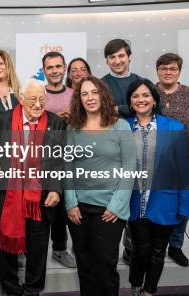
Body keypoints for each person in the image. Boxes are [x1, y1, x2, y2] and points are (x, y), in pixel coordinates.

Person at [64, 76, 136, 296]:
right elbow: (67, 167)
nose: (89, 97)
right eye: (84, 94)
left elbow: (129, 168)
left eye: (94, 92)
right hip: (79, 210)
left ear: (103, 95)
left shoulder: (120, 126)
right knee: (84, 265)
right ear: (79, 99)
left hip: (109, 210)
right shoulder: (72, 128)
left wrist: (116, 206)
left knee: (105, 266)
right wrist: (70, 203)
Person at [0, 79, 66, 296]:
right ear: (21, 99)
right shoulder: (2, 121)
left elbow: (58, 160)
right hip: (9, 194)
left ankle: (33, 289)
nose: (37, 104)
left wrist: (55, 189)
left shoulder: (56, 123)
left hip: (41, 195)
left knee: (38, 244)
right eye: (32, 99)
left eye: (42, 99)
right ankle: (11, 288)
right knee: (6, 242)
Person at [125, 79, 189, 296]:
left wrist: (185, 205)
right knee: (140, 249)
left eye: (145, 95)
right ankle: (136, 286)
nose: (141, 99)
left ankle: (149, 291)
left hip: (165, 201)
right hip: (135, 202)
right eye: (135, 96)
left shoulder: (174, 127)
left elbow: (183, 170)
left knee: (158, 251)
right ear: (130, 101)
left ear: (154, 100)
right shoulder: (122, 127)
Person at [154, 53, 189, 267]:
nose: (168, 72)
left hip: (184, 160)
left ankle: (176, 245)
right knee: (154, 204)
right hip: (154, 161)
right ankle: (156, 246)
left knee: (181, 205)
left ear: (179, 71)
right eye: (164, 68)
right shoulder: (150, 91)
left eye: (173, 68)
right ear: (157, 70)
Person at [41, 51, 76, 269]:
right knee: (43, 204)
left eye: (58, 66)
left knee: (63, 205)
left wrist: (73, 118)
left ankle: (60, 249)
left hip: (70, 155)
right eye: (50, 67)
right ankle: (32, 249)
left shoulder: (75, 94)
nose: (54, 71)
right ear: (43, 70)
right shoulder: (38, 94)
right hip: (43, 158)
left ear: (64, 68)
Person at [101, 39, 142, 117]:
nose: (117, 61)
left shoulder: (141, 82)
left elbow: (152, 107)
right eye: (112, 57)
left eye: (121, 56)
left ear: (129, 57)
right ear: (107, 61)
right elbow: (101, 111)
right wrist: (133, 108)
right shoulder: (100, 85)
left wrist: (119, 109)